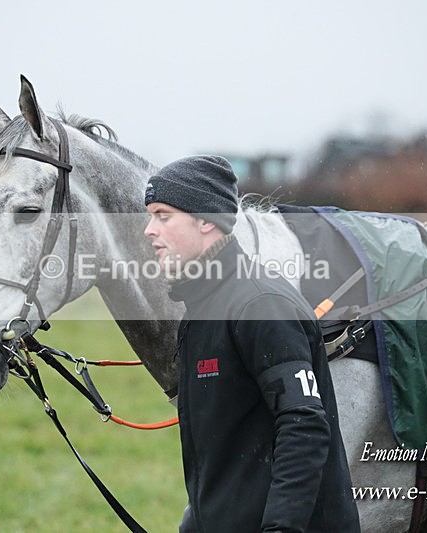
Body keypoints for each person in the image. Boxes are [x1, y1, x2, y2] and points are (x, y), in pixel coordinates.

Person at [143, 155, 360, 532]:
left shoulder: (261, 305)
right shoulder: (199, 310)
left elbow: (304, 426)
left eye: (163, 216)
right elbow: (223, 454)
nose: (149, 230)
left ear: (207, 219)